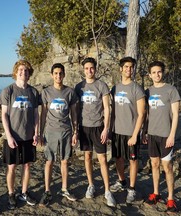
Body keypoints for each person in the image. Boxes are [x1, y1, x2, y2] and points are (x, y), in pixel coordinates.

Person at [75, 57, 116, 207]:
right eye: (86, 68)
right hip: (84, 127)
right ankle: (91, 185)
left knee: (103, 160)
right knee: (87, 157)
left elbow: (107, 108)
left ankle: (107, 190)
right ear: (83, 70)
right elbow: (76, 109)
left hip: (99, 127)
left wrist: (106, 128)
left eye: (91, 68)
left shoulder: (102, 85)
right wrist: (75, 130)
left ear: (95, 69)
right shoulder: (79, 87)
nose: (89, 71)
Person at [0, 60, 39, 209]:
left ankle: (24, 192)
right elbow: (4, 115)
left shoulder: (33, 92)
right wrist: (8, 136)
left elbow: (36, 115)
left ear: (29, 74)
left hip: (28, 137)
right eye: (21, 70)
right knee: (12, 167)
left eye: (26, 70)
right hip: (13, 137)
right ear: (16, 72)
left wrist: (36, 133)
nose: (24, 72)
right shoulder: (8, 91)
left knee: (27, 166)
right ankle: (11, 194)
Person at [142, 61, 180, 213]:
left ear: (163, 72)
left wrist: (172, 135)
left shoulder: (171, 90)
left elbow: (176, 115)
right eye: (154, 72)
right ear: (149, 74)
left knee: (168, 167)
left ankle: (171, 198)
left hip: (166, 135)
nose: (157, 74)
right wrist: (144, 131)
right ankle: (156, 193)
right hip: (152, 134)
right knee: (154, 165)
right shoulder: (147, 92)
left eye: (159, 72)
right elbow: (146, 114)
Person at [39, 63, 78, 207]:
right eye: (55, 73)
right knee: (49, 161)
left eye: (61, 73)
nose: (58, 76)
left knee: (65, 161)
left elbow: (74, 113)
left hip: (66, 131)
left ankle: (64, 188)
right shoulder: (46, 92)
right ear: (51, 75)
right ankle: (47, 191)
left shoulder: (70, 92)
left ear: (64, 74)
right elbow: (43, 114)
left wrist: (75, 132)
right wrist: (40, 133)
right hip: (50, 131)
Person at [110, 56, 145, 204]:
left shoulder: (137, 88)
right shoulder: (115, 88)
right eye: (126, 67)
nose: (128, 70)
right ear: (121, 69)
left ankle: (131, 188)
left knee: (132, 160)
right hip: (117, 131)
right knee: (118, 158)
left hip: (131, 132)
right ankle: (122, 181)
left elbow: (142, 113)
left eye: (131, 67)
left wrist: (135, 134)